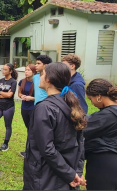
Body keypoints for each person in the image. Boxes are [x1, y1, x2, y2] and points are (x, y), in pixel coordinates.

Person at [23, 62, 87, 190]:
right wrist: (75, 173)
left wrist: (71, 174)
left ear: (48, 80)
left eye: (42, 74)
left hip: (46, 176)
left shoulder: (44, 108)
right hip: (66, 171)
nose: (40, 77)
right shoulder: (71, 103)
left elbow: (47, 148)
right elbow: (81, 143)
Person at [83, 79, 117, 190]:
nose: (91, 103)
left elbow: (82, 130)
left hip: (103, 165)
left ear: (99, 96)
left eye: (90, 99)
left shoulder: (107, 116)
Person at [17, 64, 36, 158]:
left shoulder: (37, 82)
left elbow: (42, 97)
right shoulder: (22, 81)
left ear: (33, 72)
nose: (26, 72)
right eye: (25, 70)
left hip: (33, 108)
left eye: (28, 70)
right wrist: (22, 96)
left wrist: (31, 98)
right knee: (29, 129)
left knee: (33, 130)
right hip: (24, 108)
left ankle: (30, 152)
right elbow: (19, 93)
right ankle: (28, 151)